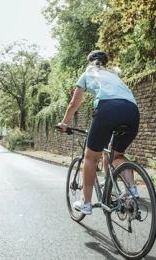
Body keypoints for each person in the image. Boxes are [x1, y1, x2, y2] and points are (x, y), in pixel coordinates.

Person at [58, 50, 140, 215]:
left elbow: (74, 103)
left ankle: (86, 203)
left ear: (90, 63)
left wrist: (64, 123)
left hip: (107, 110)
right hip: (132, 111)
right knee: (116, 155)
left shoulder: (88, 73)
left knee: (90, 158)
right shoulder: (114, 75)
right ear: (105, 63)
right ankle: (132, 188)